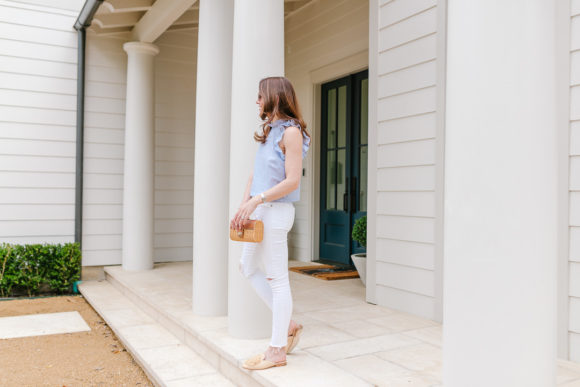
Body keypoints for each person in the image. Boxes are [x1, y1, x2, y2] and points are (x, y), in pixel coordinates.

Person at [230, 76, 311, 370]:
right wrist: (244, 205)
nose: (257, 101)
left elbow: (292, 181)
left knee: (277, 279)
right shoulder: (270, 131)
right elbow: (254, 174)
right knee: (246, 267)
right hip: (261, 208)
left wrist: (257, 200)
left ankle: (277, 351)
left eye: (260, 96)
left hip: (276, 211)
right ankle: (288, 325)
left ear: (275, 97)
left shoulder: (291, 132)